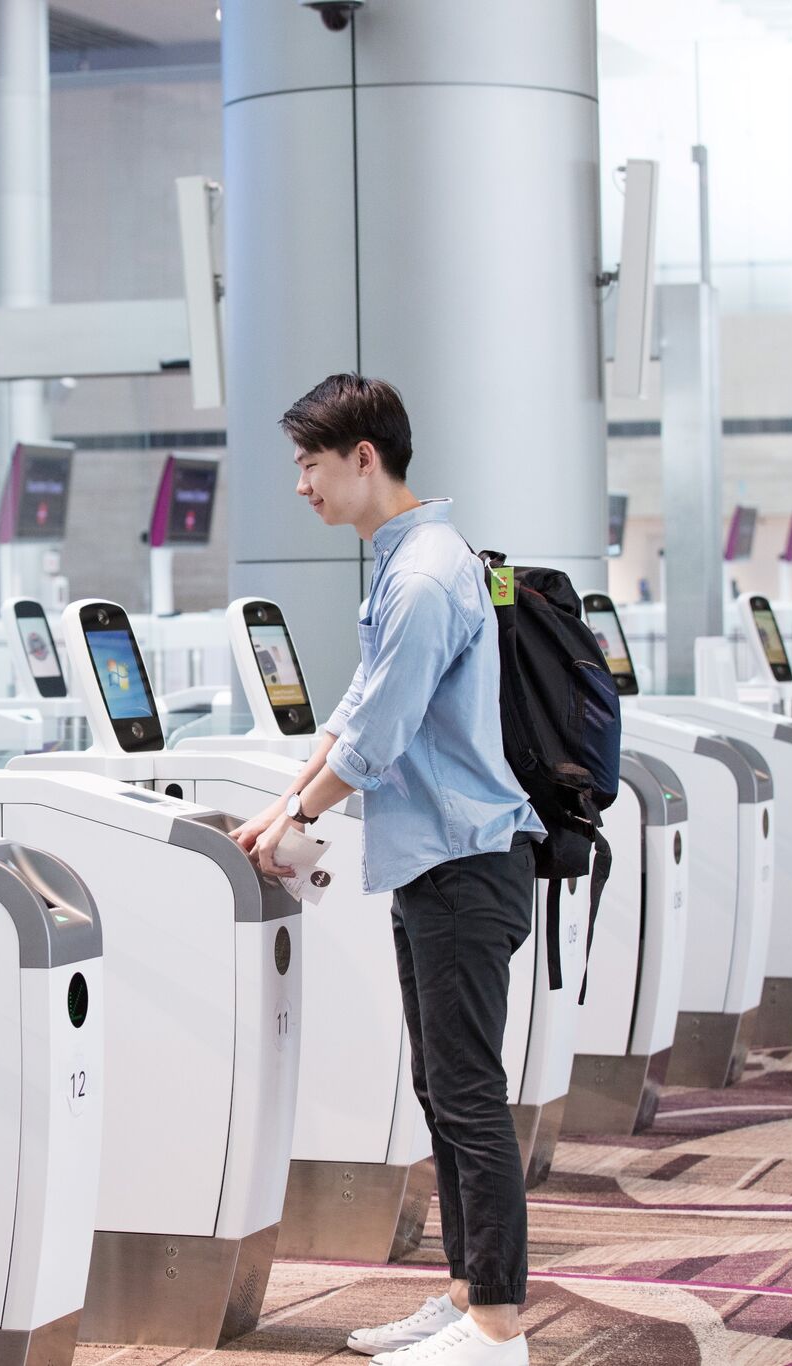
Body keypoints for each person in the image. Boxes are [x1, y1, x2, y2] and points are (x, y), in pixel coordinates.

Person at [235, 374, 543, 1365]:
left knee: (466, 1095)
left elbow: (376, 741)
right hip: (436, 862)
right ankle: (466, 1295)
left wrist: (297, 814)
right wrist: (286, 800)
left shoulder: (421, 574)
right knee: (442, 1088)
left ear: (362, 456)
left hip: (465, 861)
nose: (298, 484)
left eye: (308, 462)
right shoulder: (401, 560)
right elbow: (354, 712)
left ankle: (497, 1327)